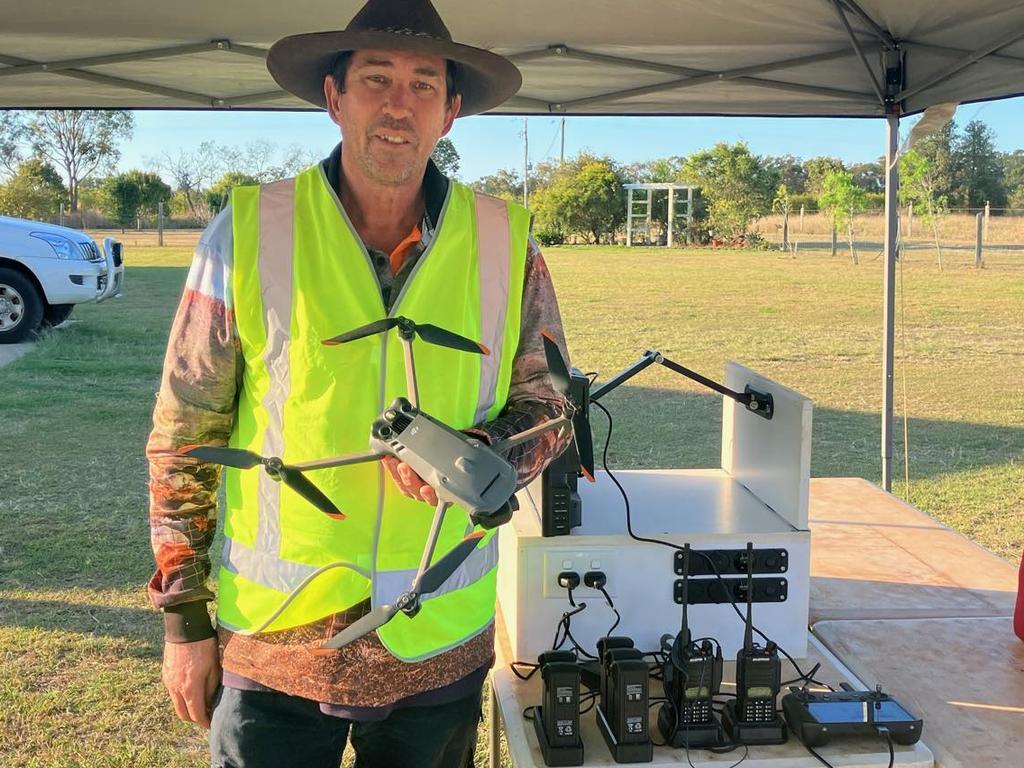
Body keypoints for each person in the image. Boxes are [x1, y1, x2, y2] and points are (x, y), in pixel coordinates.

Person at [145, 1, 572, 766]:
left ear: (452, 110)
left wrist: (478, 454)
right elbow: (185, 435)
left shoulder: (509, 242)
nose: (398, 103)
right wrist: (184, 622)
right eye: (376, 79)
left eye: (422, 83)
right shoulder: (246, 232)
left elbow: (550, 409)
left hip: (438, 641)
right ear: (335, 98)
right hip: (275, 639)